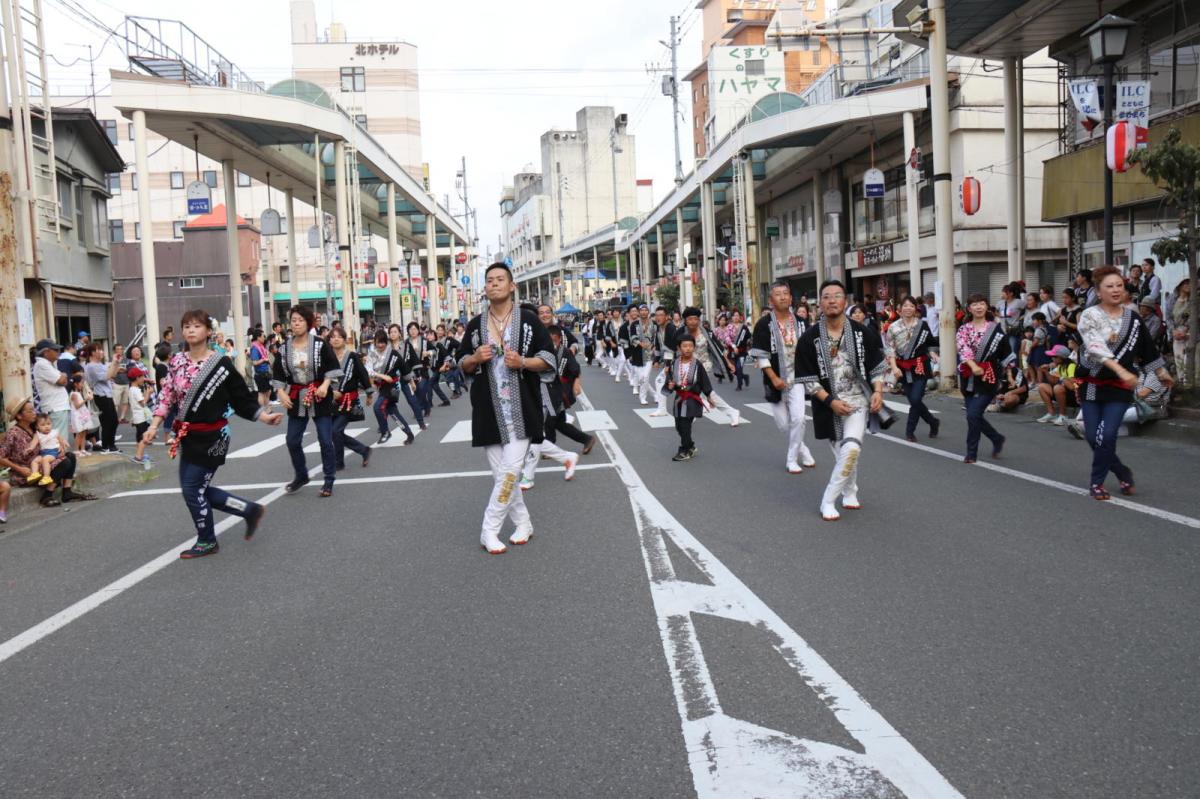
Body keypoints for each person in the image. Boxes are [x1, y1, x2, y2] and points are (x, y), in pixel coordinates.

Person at [143, 310, 281, 558]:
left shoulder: (221, 364)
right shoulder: (176, 362)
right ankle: (249, 510)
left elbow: (241, 399)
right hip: (188, 436)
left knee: (193, 487)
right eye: (186, 326)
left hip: (214, 436)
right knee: (193, 489)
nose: (190, 330)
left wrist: (264, 416)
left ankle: (207, 540)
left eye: (196, 326)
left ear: (208, 331)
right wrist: (153, 425)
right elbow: (167, 397)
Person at [456, 263, 554, 554]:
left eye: (500, 280)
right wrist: (474, 357)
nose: (494, 284)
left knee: (511, 472)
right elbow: (461, 363)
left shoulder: (529, 321)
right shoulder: (475, 325)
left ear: (512, 286)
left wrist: (522, 362)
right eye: (489, 281)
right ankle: (524, 523)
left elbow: (548, 358)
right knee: (503, 475)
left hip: (522, 409)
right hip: (489, 410)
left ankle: (489, 530)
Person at [1075, 264, 1174, 499]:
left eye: (1119, 285)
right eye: (1109, 286)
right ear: (1098, 291)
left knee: (1107, 434)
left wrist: (1161, 372)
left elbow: (1147, 348)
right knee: (1092, 436)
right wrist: (1120, 369)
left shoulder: (1134, 318)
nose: (1116, 290)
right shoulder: (1089, 315)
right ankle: (1121, 470)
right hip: (1093, 383)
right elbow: (1095, 347)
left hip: (1119, 388)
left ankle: (1096, 482)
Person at [796, 280, 887, 521]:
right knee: (844, 454)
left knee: (852, 448)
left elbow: (877, 366)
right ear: (820, 304)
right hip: (828, 405)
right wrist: (830, 402)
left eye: (837, 296)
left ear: (845, 302)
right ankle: (850, 490)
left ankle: (828, 500)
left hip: (858, 401)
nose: (832, 300)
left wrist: (878, 391)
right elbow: (807, 378)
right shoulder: (809, 338)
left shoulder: (862, 332)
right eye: (827, 296)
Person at [272, 305, 342, 497]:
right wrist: (281, 392)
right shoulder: (284, 348)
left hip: (319, 395)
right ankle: (301, 475)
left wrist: (326, 385)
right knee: (292, 440)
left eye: (300, 320)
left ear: (308, 322)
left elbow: (332, 367)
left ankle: (329, 480)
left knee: (325, 440)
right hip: (297, 396)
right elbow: (278, 373)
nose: (296, 323)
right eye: (293, 320)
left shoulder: (320, 344)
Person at [752, 280, 816, 473]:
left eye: (785, 293)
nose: (782, 297)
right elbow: (761, 356)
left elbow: (810, 349)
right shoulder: (764, 324)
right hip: (776, 378)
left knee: (799, 419)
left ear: (790, 298)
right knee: (783, 424)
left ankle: (791, 459)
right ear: (771, 300)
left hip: (797, 377)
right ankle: (803, 449)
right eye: (777, 294)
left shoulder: (802, 322)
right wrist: (773, 378)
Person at [0, 396, 96, 506]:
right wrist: (20, 469)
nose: (34, 413)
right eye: (30, 411)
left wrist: (60, 446)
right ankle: (47, 495)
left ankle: (67, 491)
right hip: (27, 472)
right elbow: (1, 457)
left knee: (70, 456)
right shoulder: (13, 433)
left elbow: (52, 436)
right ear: (19, 415)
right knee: (65, 462)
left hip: (43, 462)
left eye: (34, 409)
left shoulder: (34, 427)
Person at [519, 324, 580, 491]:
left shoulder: (551, 349)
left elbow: (550, 369)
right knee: (529, 436)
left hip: (546, 395)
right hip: (531, 394)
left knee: (534, 435)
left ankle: (528, 475)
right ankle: (567, 457)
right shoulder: (527, 342)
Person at [956, 293, 1012, 464]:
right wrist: (974, 367)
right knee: (973, 416)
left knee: (973, 415)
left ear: (987, 306)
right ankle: (996, 438)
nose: (979, 307)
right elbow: (963, 350)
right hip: (969, 376)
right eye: (975, 304)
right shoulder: (963, 329)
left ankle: (971, 452)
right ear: (969, 308)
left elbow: (1006, 352)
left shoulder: (995, 328)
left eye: (982, 303)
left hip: (988, 376)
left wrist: (1010, 375)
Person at [885, 295, 940, 442]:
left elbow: (930, 343)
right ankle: (933, 421)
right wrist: (894, 367)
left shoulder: (922, 325)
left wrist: (933, 352)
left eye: (911, 305)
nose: (908, 308)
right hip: (902, 368)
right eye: (905, 305)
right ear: (900, 309)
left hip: (920, 366)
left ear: (916, 308)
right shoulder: (893, 327)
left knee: (916, 399)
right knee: (914, 400)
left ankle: (910, 431)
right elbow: (890, 350)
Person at [679, 307, 741, 426]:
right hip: (687, 367)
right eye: (690, 319)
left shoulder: (707, 332)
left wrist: (728, 363)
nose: (693, 321)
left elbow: (719, 348)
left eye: (695, 319)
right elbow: (674, 350)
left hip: (704, 366)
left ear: (699, 320)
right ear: (685, 320)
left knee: (696, 391)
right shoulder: (680, 333)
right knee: (705, 393)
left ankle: (692, 415)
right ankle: (731, 411)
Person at [328, 325, 373, 470]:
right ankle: (360, 451)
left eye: (338, 337)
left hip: (348, 400)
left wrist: (369, 392)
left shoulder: (352, 356)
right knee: (334, 432)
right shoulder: (327, 358)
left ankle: (342, 460)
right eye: (332, 337)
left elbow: (363, 374)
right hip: (331, 400)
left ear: (344, 340)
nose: (335, 339)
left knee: (335, 430)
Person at [665, 333, 713, 461]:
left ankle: (685, 450)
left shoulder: (697, 364)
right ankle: (690, 445)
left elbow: (704, 381)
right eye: (684, 346)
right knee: (678, 425)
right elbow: (670, 379)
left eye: (690, 346)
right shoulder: (674, 364)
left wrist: (709, 396)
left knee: (685, 425)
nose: (687, 348)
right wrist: (670, 385)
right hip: (679, 399)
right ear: (679, 348)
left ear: (694, 348)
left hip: (691, 399)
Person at [367, 330, 416, 445]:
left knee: (378, 407)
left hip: (392, 387)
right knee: (393, 412)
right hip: (381, 386)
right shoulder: (372, 354)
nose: (380, 345)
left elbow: (405, 369)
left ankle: (385, 432)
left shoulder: (393, 354)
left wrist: (412, 383)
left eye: (382, 342)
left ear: (386, 341)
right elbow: (368, 370)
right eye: (377, 342)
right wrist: (381, 375)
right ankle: (409, 434)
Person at [82, 343, 119, 452]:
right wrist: (113, 362)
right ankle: (106, 446)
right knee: (107, 421)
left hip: (107, 394)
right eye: (99, 350)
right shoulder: (91, 366)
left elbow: (113, 374)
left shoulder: (100, 365)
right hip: (100, 395)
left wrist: (116, 363)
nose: (102, 352)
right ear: (93, 353)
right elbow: (107, 376)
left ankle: (111, 445)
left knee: (113, 421)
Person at [32, 339, 71, 443]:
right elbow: (61, 380)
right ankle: (60, 459)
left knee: (59, 439)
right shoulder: (42, 364)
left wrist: (63, 376)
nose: (58, 352)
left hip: (57, 407)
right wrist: (63, 375)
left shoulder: (49, 364)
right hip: (55, 408)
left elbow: (64, 380)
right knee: (59, 441)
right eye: (55, 350)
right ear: (46, 352)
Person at [1035, 345, 1078, 425]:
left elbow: (1072, 386)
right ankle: (1052, 414)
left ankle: (1063, 416)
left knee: (1057, 388)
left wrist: (1062, 379)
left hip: (1074, 397)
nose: (1052, 358)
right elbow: (1053, 381)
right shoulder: (1061, 366)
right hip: (1064, 393)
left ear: (1061, 357)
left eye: (1054, 356)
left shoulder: (1071, 366)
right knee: (1042, 387)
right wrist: (1046, 371)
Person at [648, 306, 677, 417]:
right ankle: (662, 409)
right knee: (660, 382)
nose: (658, 317)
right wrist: (656, 360)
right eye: (657, 315)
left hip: (677, 361)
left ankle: (704, 403)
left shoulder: (671, 329)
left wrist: (668, 366)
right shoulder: (659, 329)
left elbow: (671, 349)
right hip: (670, 361)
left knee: (685, 388)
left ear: (667, 317)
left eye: (661, 315)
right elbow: (658, 347)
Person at [24, 413, 68, 487]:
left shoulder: (54, 432)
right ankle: (35, 474)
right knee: (35, 461)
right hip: (43, 453)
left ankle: (46, 477)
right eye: (43, 425)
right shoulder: (37, 434)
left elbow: (61, 440)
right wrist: (30, 448)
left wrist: (64, 443)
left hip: (54, 452)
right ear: (37, 427)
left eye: (48, 424)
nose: (47, 426)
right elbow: (33, 443)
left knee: (45, 460)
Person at [127, 367, 153, 464]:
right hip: (141, 417)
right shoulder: (136, 390)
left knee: (139, 437)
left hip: (137, 417)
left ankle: (140, 455)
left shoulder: (131, 389)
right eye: (142, 377)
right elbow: (143, 403)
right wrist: (148, 393)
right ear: (137, 378)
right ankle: (138, 457)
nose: (143, 379)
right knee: (144, 438)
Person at [1168, 278, 1191, 385]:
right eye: (1185, 283)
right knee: (1179, 359)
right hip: (1176, 332)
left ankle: (1189, 382)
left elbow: (1195, 316)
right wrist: (1173, 330)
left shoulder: (1194, 299)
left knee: (1189, 359)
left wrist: (1186, 328)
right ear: (1180, 285)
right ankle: (1182, 381)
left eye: (1189, 283)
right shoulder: (1172, 298)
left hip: (1191, 332)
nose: (1188, 285)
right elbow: (1168, 317)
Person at [249, 329, 273, 407]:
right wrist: (264, 360)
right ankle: (264, 410)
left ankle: (267, 409)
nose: (264, 338)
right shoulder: (255, 348)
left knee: (267, 392)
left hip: (264, 373)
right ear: (258, 337)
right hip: (260, 374)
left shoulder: (261, 346)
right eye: (263, 336)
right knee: (262, 393)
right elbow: (254, 362)